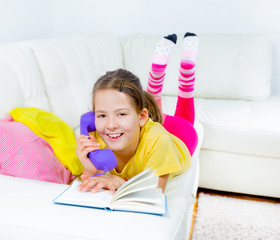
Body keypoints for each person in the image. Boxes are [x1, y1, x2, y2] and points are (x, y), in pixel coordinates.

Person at [76, 33, 199, 194]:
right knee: (154, 114)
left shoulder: (159, 142)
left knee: (184, 122)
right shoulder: (97, 138)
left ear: (142, 117)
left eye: (121, 114)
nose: (110, 125)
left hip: (180, 134)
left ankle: (186, 77)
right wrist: (90, 168)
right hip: (142, 129)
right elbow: (88, 183)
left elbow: (154, 193)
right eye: (102, 115)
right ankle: (153, 86)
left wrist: (120, 181)